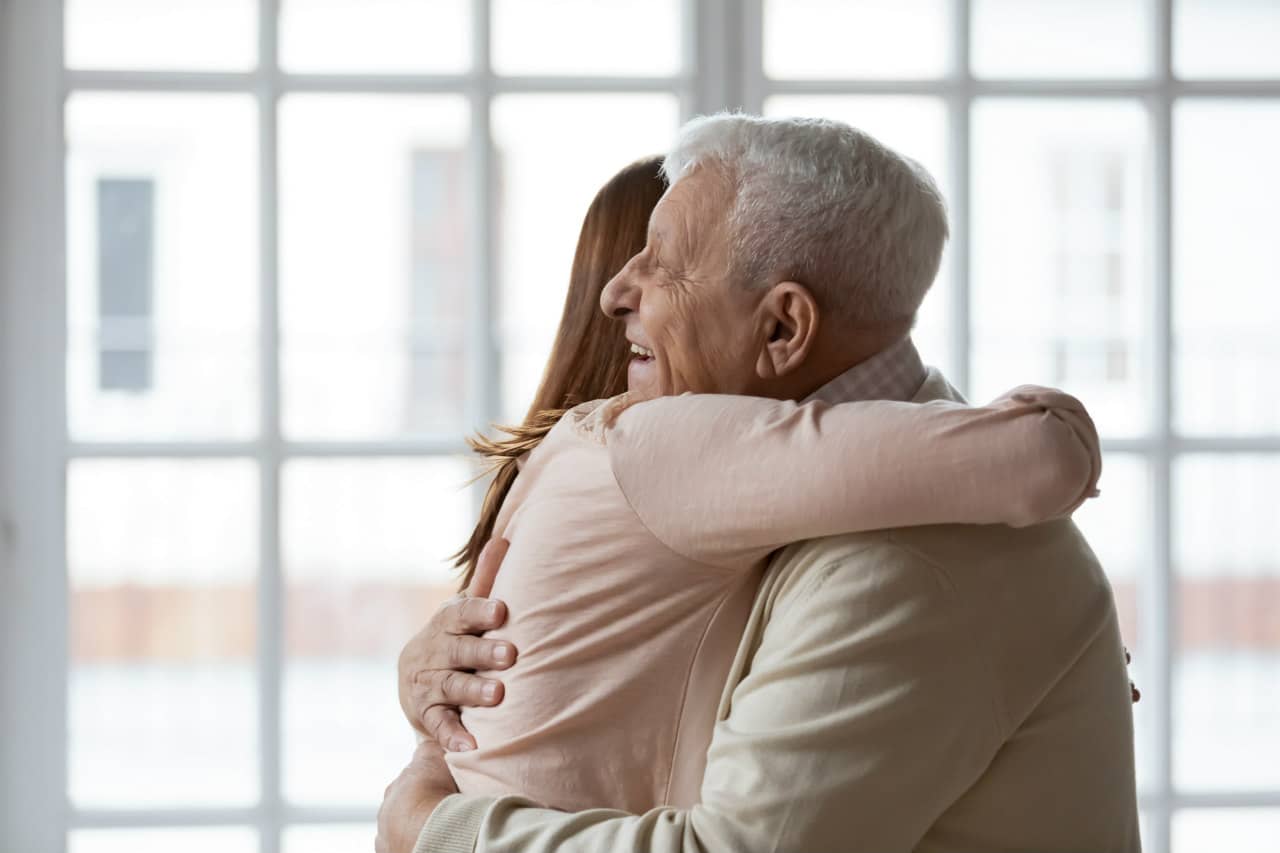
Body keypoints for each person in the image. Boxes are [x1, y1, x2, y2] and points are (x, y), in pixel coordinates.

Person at [381, 115, 1140, 853]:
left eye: (663, 260)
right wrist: (437, 698)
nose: (618, 294)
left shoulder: (899, 566)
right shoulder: (797, 492)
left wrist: (434, 826)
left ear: (782, 329)